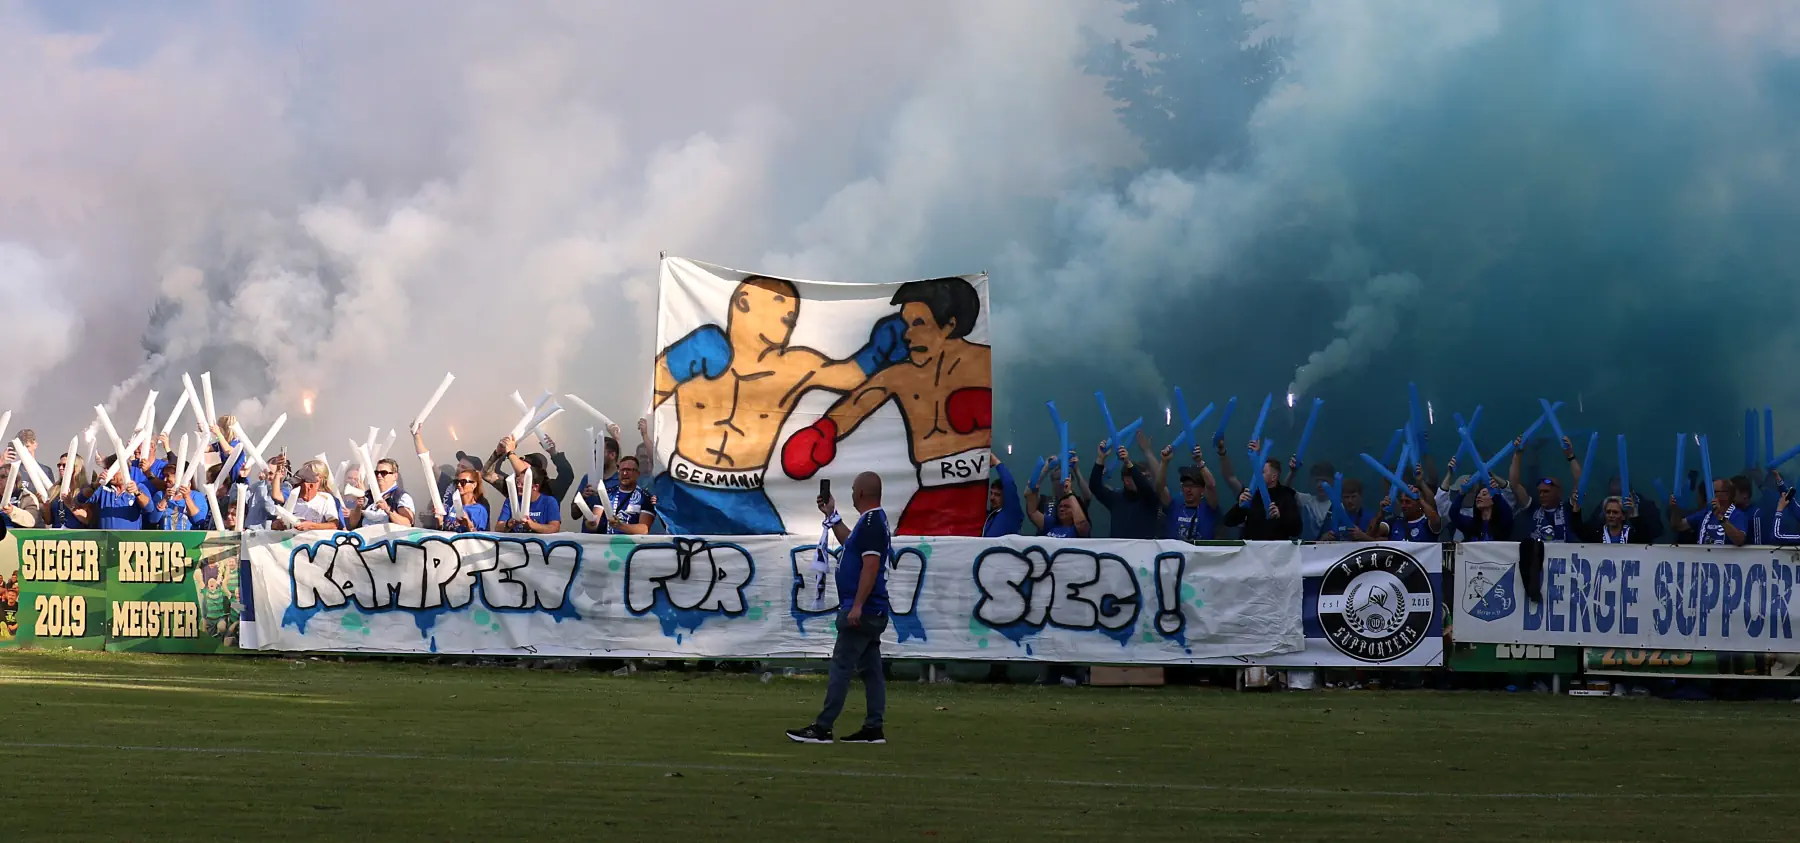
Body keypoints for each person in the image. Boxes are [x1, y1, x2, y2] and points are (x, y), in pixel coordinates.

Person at [656, 275, 905, 535]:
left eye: (792, 315)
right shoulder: (700, 348)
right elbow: (656, 394)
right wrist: (673, 364)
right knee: (666, 553)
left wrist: (880, 346)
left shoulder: (794, 366)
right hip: (683, 486)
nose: (790, 317)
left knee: (775, 555)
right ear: (744, 302)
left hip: (747, 495)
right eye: (780, 304)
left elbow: (849, 376)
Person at [782, 277, 993, 535]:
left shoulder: (982, 364)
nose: (907, 334)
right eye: (906, 324)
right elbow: (858, 403)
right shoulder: (901, 376)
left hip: (971, 497)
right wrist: (823, 433)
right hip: (929, 494)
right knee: (903, 555)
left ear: (950, 325)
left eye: (918, 323)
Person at [786, 471, 893, 745]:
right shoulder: (872, 521)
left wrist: (857, 605)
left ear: (861, 493)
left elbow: (870, 566)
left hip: (863, 611)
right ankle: (873, 727)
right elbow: (852, 544)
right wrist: (832, 516)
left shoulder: (871, 522)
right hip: (873, 610)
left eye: (854, 489)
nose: (852, 494)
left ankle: (823, 727)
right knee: (871, 670)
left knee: (841, 667)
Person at [1509, 436, 1583, 543]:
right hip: (1537, 553)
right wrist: (1518, 453)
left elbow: (1580, 483)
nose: (1542, 495)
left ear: (1558, 492)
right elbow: (1514, 484)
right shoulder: (1533, 508)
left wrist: (1570, 456)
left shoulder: (1568, 509)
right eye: (1540, 492)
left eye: (1546, 491)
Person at [1221, 447, 1302, 540]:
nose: (1257, 475)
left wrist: (1280, 517)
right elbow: (1228, 522)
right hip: (1252, 547)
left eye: (1262, 472)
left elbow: (1296, 530)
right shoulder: (1251, 494)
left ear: (1274, 477)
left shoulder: (1286, 495)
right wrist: (1239, 506)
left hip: (1277, 547)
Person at [1087, 440, 1161, 539]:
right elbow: (1094, 486)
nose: (1145, 480)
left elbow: (1144, 487)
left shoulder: (1150, 500)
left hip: (1143, 548)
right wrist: (1101, 458)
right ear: (1127, 480)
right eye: (1142, 476)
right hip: (1117, 548)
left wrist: (1128, 462)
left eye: (1147, 477)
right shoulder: (1116, 499)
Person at [1161, 446, 1220, 543]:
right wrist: (1164, 462)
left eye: (1193, 486)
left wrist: (1199, 462)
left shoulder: (1208, 508)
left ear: (1202, 489)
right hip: (1175, 552)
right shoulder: (1174, 506)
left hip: (1201, 552)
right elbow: (1160, 487)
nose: (1188, 489)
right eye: (1186, 485)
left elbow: (1211, 486)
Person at [580, 455, 651, 534]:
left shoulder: (644, 497)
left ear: (637, 473)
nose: (624, 473)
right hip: (606, 541)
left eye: (628, 470)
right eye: (622, 470)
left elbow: (644, 530)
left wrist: (620, 526)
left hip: (631, 542)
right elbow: (594, 524)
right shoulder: (607, 493)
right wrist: (590, 524)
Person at [1670, 477, 1749, 546]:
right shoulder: (1705, 513)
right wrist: (1675, 508)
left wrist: (1720, 517)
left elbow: (1739, 540)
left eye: (1714, 492)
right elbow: (1678, 525)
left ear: (1727, 494)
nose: (1710, 495)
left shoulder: (1738, 515)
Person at [83, 457, 150, 529]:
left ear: (124, 471)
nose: (108, 473)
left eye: (112, 470)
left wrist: (136, 492)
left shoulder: (139, 487)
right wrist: (95, 485)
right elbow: (81, 499)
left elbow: (149, 508)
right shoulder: (102, 489)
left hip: (130, 536)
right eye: (107, 469)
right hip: (106, 536)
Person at [277, 461, 344, 531]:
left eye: (299, 484)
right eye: (295, 483)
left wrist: (312, 526)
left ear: (310, 485)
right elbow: (279, 519)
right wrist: (277, 524)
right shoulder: (293, 497)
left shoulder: (327, 499)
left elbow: (334, 525)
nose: (295, 486)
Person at [349, 458, 416, 528]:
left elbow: (408, 524)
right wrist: (358, 507)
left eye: (384, 473)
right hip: (364, 533)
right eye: (376, 473)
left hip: (388, 534)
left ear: (395, 476)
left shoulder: (401, 497)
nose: (379, 476)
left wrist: (388, 510)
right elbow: (352, 524)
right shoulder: (367, 495)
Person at [497, 469, 562, 534]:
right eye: (518, 483)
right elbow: (498, 527)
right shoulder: (511, 501)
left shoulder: (549, 501)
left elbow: (555, 527)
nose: (519, 486)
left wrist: (533, 526)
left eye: (523, 484)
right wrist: (508, 524)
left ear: (535, 487)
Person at [147, 462, 208, 530]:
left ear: (179, 477)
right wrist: (164, 499)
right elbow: (153, 520)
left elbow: (198, 520)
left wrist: (187, 497)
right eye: (164, 476)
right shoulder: (160, 495)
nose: (165, 480)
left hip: (188, 536)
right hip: (166, 536)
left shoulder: (197, 496)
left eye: (168, 476)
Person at [1449, 483, 1514, 542]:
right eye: (1478, 495)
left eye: (1484, 494)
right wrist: (1461, 493)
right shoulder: (1471, 524)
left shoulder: (1502, 523)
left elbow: (1507, 512)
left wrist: (1497, 494)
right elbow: (1453, 514)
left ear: (1494, 499)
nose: (1478, 496)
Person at [981, 452, 1024, 537]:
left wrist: (996, 461)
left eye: (997, 495)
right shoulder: (988, 516)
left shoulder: (1010, 513)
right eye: (991, 493)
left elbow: (1009, 483)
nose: (992, 498)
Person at [1581, 495, 1653, 544]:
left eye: (1615, 512)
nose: (1611, 515)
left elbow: (1646, 538)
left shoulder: (1631, 535)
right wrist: (1576, 508)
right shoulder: (1597, 535)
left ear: (1623, 516)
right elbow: (1580, 532)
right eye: (1608, 512)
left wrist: (1634, 514)